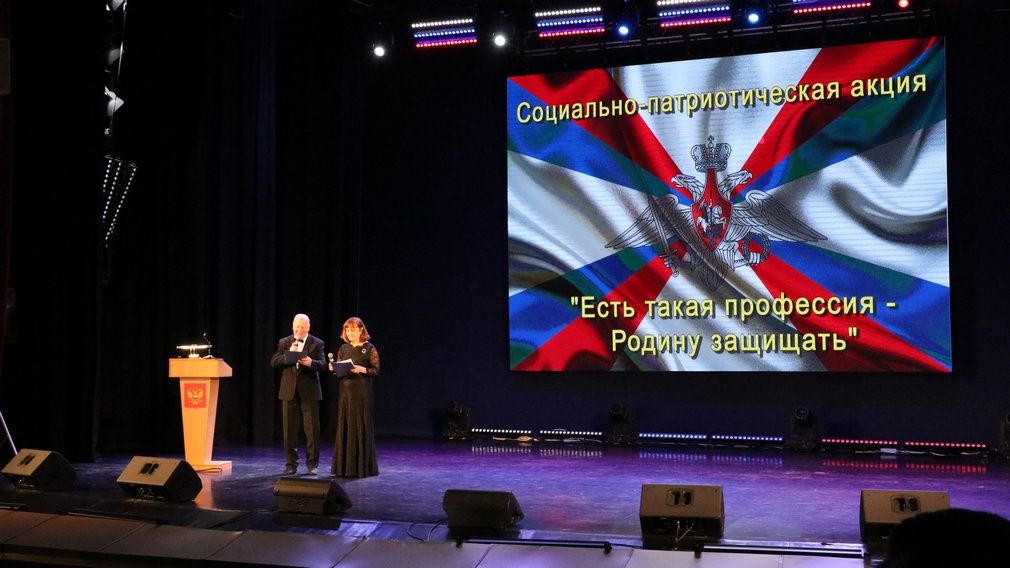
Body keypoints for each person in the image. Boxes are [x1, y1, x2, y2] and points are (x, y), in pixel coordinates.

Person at [270, 313, 326, 476]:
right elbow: (274, 362)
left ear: (308, 328)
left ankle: (312, 464)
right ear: (292, 326)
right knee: (289, 431)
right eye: (297, 326)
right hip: (289, 391)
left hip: (309, 391)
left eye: (302, 327)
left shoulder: (317, 343)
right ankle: (291, 464)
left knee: (312, 430)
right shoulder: (285, 342)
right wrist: (288, 355)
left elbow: (323, 365)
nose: (299, 330)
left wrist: (311, 362)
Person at [330, 316, 379, 477]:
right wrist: (333, 368)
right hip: (345, 391)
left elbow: (375, 370)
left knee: (360, 423)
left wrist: (362, 369)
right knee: (346, 423)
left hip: (362, 391)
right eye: (347, 330)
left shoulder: (369, 348)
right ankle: (344, 467)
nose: (350, 333)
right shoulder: (343, 349)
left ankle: (361, 467)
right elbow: (339, 369)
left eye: (353, 330)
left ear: (361, 330)